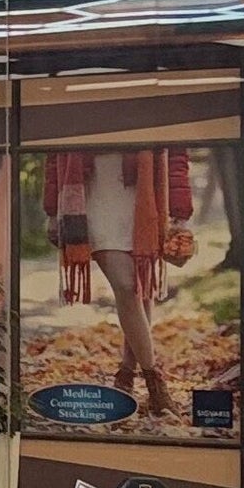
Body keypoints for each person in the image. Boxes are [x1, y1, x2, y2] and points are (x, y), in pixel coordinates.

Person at [43, 148, 192, 420]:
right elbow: (55, 152)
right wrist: (53, 210)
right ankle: (155, 381)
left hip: (143, 198)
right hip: (90, 199)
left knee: (139, 289)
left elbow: (176, 152)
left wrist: (180, 213)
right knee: (126, 286)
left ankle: (126, 374)